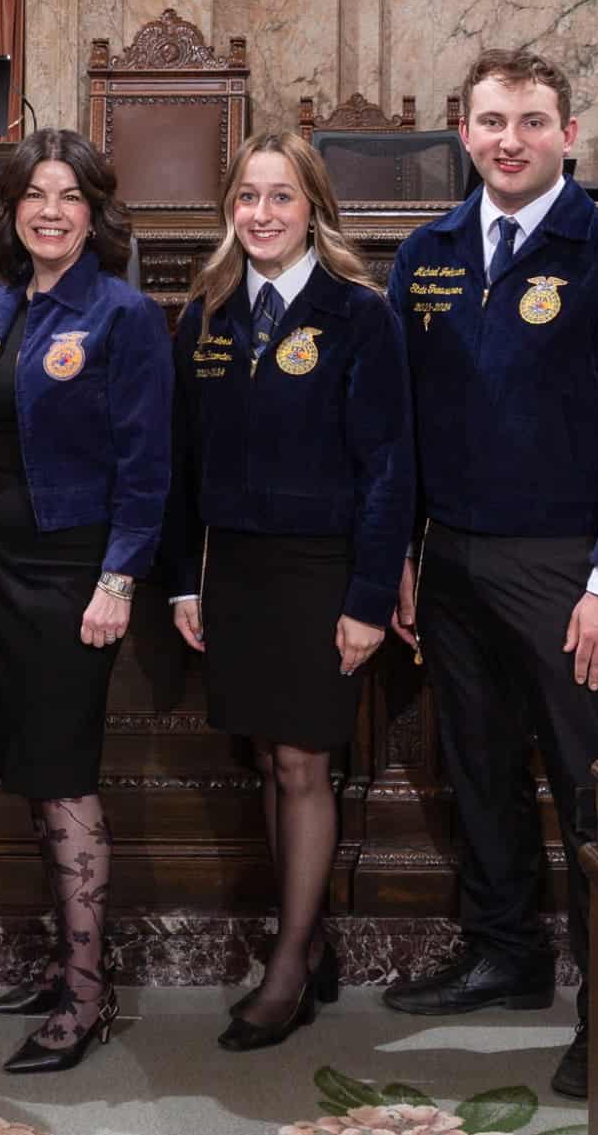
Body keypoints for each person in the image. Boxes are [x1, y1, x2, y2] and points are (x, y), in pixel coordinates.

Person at [378, 50, 598, 1100]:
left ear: (568, 137)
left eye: (531, 121)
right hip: (455, 558)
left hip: (570, 569)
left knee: (586, 791)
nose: (508, 139)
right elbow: (400, 429)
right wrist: (406, 557)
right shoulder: (422, 256)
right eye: (489, 120)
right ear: (461, 134)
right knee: (477, 769)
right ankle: (504, 954)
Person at [0, 128, 172, 1073]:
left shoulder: (124, 316)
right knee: (31, 764)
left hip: (76, 579)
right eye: (35, 194)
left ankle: (86, 992)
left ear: (95, 213)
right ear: (12, 210)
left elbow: (148, 471)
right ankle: (60, 961)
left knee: (66, 775)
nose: (51, 210)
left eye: (69, 195)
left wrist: (119, 580)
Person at [161, 131, 413, 1051]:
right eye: (246, 198)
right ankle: (307, 942)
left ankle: (288, 962)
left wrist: (370, 595)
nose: (261, 215)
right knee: (268, 761)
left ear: (313, 208)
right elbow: (182, 467)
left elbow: (389, 467)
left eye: (280, 198)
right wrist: (184, 584)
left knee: (305, 762)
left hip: (322, 571)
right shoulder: (207, 312)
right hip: (236, 571)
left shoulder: (358, 313)